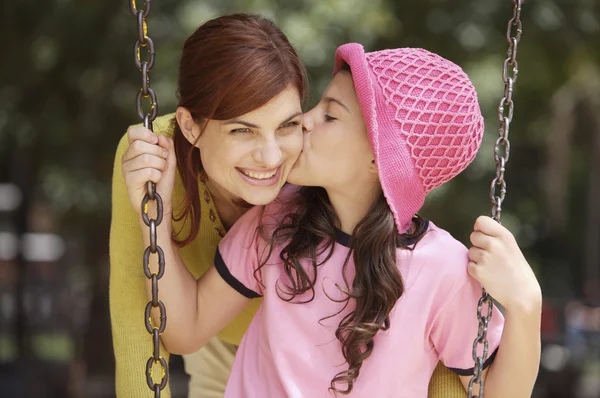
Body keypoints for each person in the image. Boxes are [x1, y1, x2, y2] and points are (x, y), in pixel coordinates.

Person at [126, 43, 542, 397]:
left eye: (330, 115)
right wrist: (154, 218)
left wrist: (527, 303)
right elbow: (186, 330)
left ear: (379, 157)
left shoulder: (441, 270)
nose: (303, 120)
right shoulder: (275, 221)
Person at [110, 13, 306, 397]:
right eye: (241, 130)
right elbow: (137, 313)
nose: (270, 157)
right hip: (214, 344)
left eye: (287, 125)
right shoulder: (152, 158)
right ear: (189, 126)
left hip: (310, 360)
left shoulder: (316, 169)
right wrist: (158, 217)